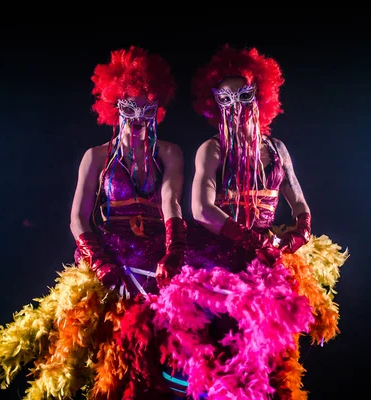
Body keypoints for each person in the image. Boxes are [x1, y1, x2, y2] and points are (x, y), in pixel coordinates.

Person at [0, 45, 186, 400]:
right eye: (128, 107)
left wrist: (175, 249)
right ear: (114, 106)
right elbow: (77, 217)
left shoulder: (169, 152)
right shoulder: (96, 157)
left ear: (157, 109)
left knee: (176, 345)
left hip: (156, 255)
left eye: (146, 109)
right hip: (112, 255)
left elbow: (171, 200)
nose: (137, 117)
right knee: (101, 349)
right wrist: (101, 261)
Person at [149, 44, 349, 399]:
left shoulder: (276, 149)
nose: (237, 106)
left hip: (270, 256)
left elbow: (299, 201)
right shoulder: (212, 149)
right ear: (214, 103)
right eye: (226, 99)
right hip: (221, 254)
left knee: (271, 355)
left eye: (243, 95)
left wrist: (298, 234)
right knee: (217, 352)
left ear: (260, 95)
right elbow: (201, 209)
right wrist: (254, 243)